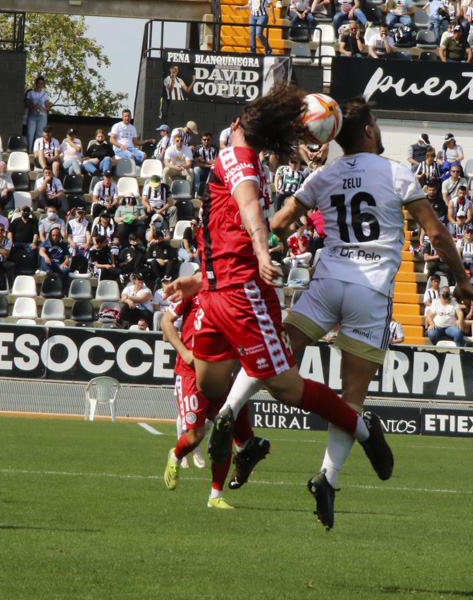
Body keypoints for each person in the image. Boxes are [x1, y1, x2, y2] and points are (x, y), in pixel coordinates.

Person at [161, 86, 396, 530]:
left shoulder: (239, 160)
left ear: (238, 126)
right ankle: (243, 441)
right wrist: (200, 277)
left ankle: (365, 432)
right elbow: (229, 226)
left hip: (243, 296)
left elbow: (249, 209)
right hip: (215, 292)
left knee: (286, 388)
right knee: (211, 386)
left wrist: (260, 249)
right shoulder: (245, 160)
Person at [162, 289, 267, 508]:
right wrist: (183, 351)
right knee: (195, 437)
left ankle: (215, 496)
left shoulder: (235, 297)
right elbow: (166, 322)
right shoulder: (194, 291)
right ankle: (176, 455)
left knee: (224, 429)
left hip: (220, 375)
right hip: (190, 373)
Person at [25, 76, 52, 142]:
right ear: (36, 83)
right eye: (39, 83)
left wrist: (43, 109)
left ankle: (37, 150)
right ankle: (29, 150)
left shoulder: (45, 94)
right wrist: (33, 105)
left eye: (42, 84)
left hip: (41, 115)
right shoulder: (30, 93)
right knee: (30, 133)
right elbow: (26, 104)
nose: (40, 85)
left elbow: (48, 106)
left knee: (40, 134)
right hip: (32, 115)